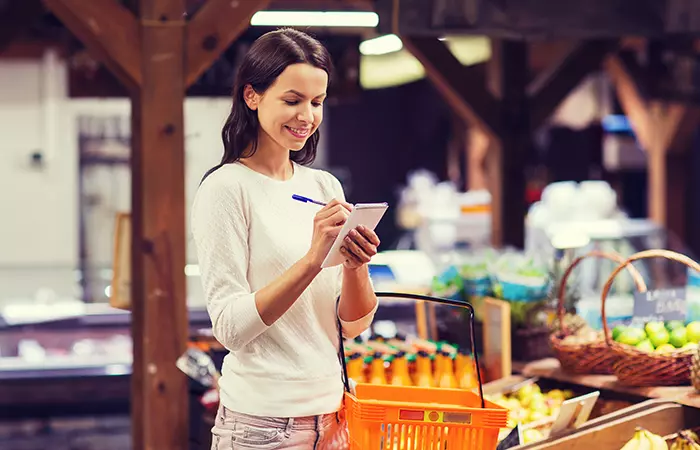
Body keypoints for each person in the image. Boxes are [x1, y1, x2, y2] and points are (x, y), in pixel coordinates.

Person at [191, 28, 380, 450]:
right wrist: (313, 258)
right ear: (252, 96)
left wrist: (356, 264)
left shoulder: (325, 186)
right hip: (261, 426)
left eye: (317, 103)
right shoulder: (225, 189)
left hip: (334, 420)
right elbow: (230, 328)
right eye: (292, 100)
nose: (306, 117)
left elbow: (353, 325)